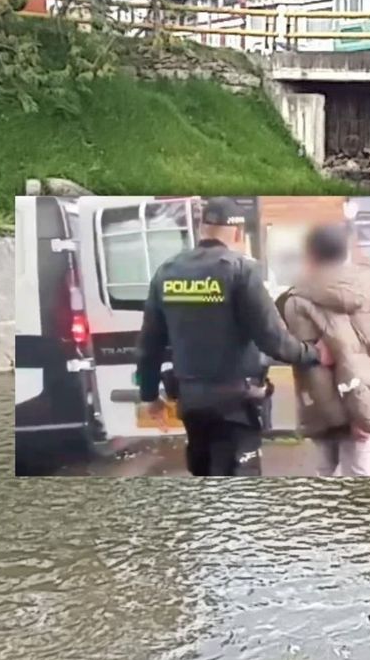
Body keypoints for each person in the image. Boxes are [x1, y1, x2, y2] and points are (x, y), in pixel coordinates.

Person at [136, 197, 328, 476]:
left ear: (202, 228)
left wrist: (150, 396)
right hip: (236, 405)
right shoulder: (241, 270)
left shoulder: (167, 271)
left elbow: (149, 344)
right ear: (238, 233)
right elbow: (273, 340)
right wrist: (314, 353)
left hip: (192, 403)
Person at [277, 223, 370, 476]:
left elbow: (280, 348)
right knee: (359, 474)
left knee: (325, 473)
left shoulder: (293, 302)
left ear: (310, 256)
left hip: (319, 407)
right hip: (363, 404)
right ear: (346, 254)